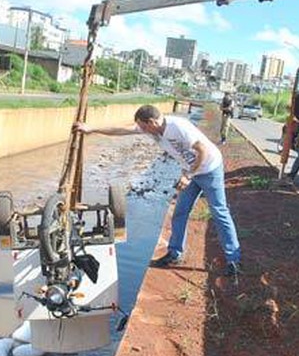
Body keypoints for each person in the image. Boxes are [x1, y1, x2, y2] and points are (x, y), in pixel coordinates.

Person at [75, 105, 241, 279]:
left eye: (144, 127)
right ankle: (175, 254)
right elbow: (122, 130)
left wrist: (190, 175)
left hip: (208, 168)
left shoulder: (179, 127)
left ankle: (233, 260)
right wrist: (91, 129)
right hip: (189, 170)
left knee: (219, 211)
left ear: (152, 122)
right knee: (180, 212)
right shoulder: (153, 129)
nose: (143, 131)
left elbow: (203, 151)